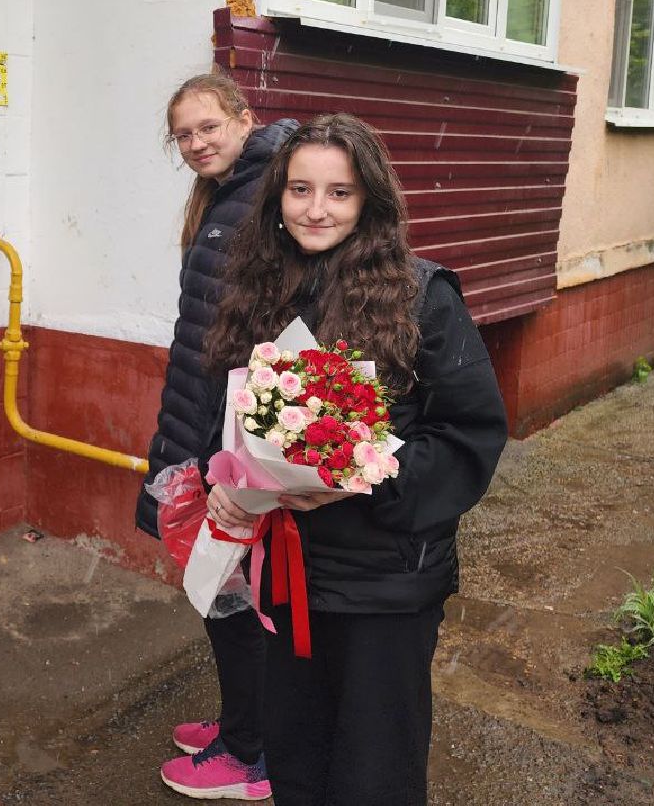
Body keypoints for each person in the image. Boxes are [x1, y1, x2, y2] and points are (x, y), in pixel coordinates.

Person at [201, 113, 508, 805]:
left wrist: (365, 479)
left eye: (338, 192)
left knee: (375, 772)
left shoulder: (422, 296)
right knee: (297, 759)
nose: (316, 209)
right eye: (300, 189)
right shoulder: (260, 288)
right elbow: (232, 415)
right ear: (277, 196)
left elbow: (470, 435)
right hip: (289, 576)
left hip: (385, 585)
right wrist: (225, 484)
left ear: (369, 199)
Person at [134, 70, 297, 800]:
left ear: (242, 116)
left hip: (231, 435)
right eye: (184, 135)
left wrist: (237, 448)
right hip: (200, 421)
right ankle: (243, 724)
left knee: (234, 595)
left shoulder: (270, 192)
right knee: (218, 588)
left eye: (208, 127)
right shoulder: (227, 194)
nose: (197, 143)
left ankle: (252, 756)